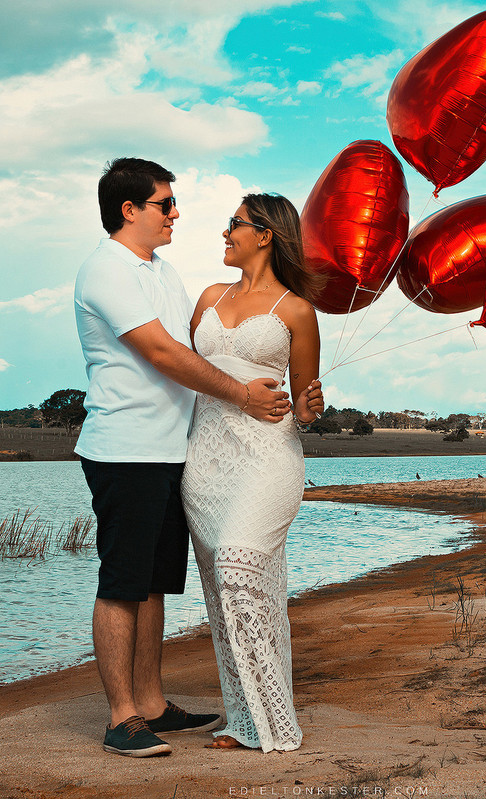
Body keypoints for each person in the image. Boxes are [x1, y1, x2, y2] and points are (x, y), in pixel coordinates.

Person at [74, 159, 292, 758]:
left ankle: (151, 703)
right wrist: (242, 394)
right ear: (129, 210)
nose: (176, 214)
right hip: (126, 450)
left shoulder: (164, 272)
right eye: (165, 204)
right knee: (123, 582)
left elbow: (197, 346)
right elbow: (164, 354)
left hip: (175, 451)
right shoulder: (104, 270)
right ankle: (122, 717)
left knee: (154, 584)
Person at [182, 193, 325, 752]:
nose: (225, 233)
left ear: (264, 234)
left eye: (234, 224)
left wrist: (312, 407)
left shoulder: (295, 310)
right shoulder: (207, 299)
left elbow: (306, 407)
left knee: (242, 566)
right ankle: (244, 719)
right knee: (225, 592)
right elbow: (186, 370)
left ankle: (276, 724)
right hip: (207, 461)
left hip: (268, 457)